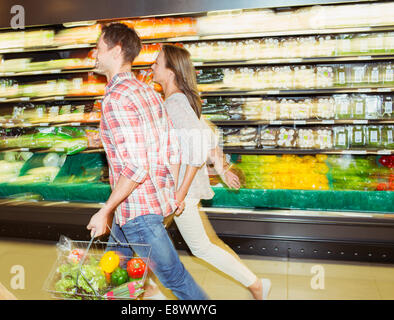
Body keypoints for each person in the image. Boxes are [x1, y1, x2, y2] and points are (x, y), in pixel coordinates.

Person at [86, 23, 208, 300]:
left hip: (138, 213)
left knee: (177, 281)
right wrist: (175, 193)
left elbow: (136, 166)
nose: (95, 53)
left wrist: (105, 210)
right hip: (142, 207)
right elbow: (171, 147)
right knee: (113, 276)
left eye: (99, 47)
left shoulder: (115, 98)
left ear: (116, 51)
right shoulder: (147, 91)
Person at [148, 44, 272, 300]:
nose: (152, 66)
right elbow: (205, 134)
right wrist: (222, 167)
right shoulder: (179, 100)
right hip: (176, 189)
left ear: (171, 72)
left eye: (157, 63)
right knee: (151, 241)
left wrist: (179, 195)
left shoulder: (175, 104)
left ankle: (256, 285)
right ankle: (150, 291)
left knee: (194, 246)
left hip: (179, 191)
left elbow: (196, 145)